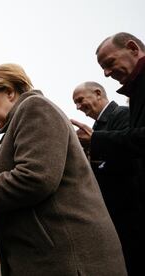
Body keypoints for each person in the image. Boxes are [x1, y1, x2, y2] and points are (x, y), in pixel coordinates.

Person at [0, 64, 126, 276]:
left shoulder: (35, 108)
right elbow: (19, 176)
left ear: (9, 92)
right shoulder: (24, 117)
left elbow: (33, 180)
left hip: (68, 262)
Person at [72, 81, 143, 275]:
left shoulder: (122, 114)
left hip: (131, 210)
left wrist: (95, 144)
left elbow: (130, 156)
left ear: (97, 93)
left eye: (80, 100)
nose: (78, 107)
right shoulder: (95, 127)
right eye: (75, 103)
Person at [74, 32, 145, 204]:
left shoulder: (121, 113)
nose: (106, 73)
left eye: (110, 63)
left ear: (133, 49)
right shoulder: (136, 92)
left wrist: (95, 140)